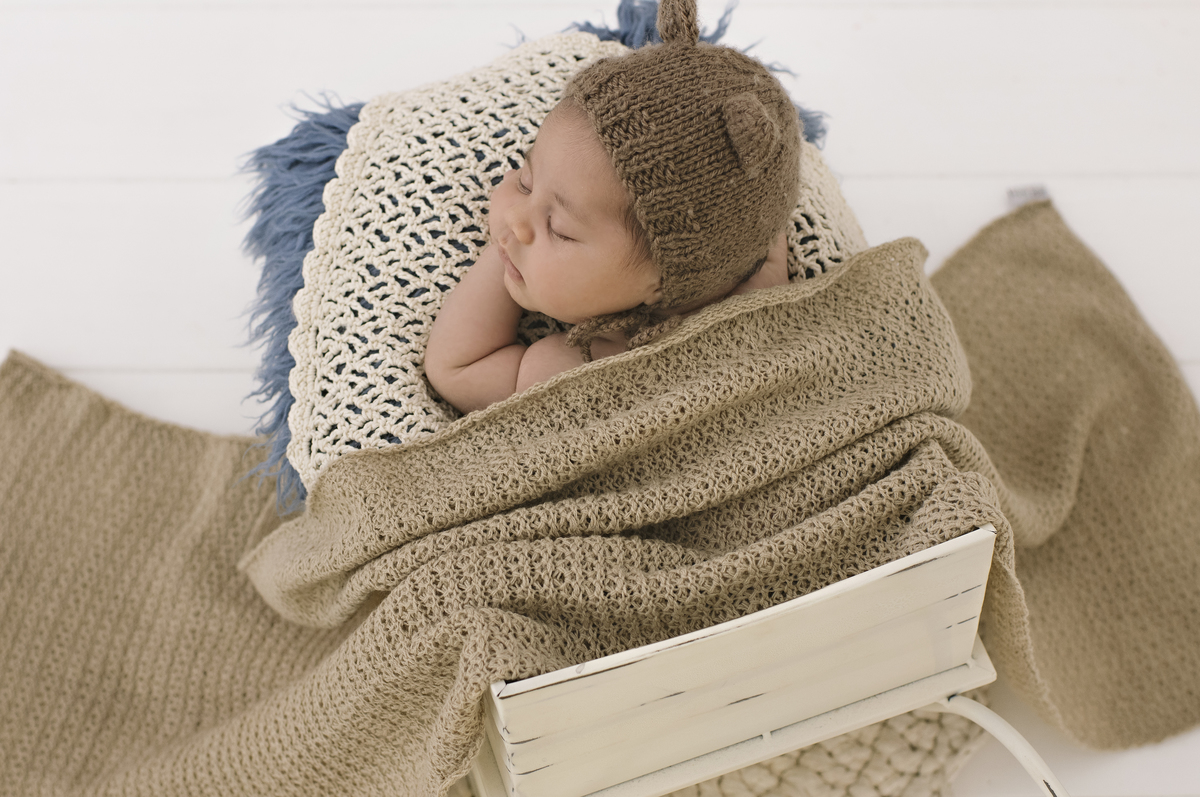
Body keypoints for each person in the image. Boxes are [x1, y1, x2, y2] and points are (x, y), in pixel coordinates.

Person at [425, 0, 802, 414]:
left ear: (661, 281)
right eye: (525, 180)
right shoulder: (761, 303)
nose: (515, 220)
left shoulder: (574, 372)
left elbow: (455, 367)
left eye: (560, 229)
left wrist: (501, 256)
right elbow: (764, 237)